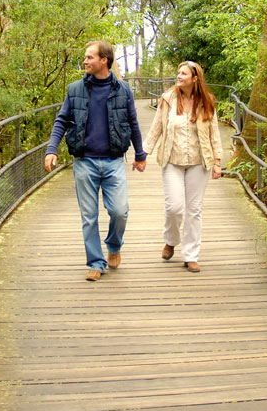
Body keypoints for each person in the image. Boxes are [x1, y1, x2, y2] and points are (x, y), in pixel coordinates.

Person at [45, 41, 147, 282]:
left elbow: (133, 123)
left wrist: (140, 155)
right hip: (84, 161)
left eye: (90, 57)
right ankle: (95, 262)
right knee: (88, 216)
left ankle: (114, 245)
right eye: (85, 57)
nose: (85, 61)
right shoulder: (75, 89)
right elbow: (62, 120)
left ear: (104, 60)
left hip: (113, 161)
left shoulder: (123, 90)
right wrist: (52, 148)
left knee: (119, 211)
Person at [143, 61, 222, 272]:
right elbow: (156, 127)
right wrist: (144, 153)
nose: (179, 76)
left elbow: (214, 133)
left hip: (199, 162)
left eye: (183, 73)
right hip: (172, 160)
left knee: (194, 210)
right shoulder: (168, 99)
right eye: (178, 72)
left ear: (195, 78)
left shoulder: (207, 102)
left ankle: (191, 255)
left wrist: (217, 162)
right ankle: (171, 240)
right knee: (174, 208)